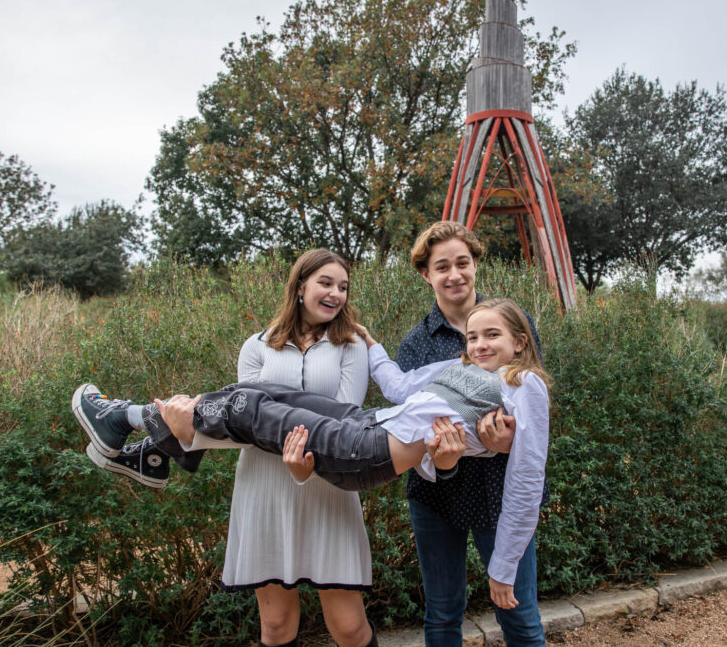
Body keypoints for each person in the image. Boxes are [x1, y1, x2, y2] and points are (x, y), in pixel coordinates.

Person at [71, 298, 550, 610]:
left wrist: (503, 566)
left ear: (520, 343)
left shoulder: (525, 385)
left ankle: (124, 419)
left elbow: (527, 477)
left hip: (367, 451)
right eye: (472, 336)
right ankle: (149, 452)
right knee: (263, 392)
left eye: (492, 336)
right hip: (368, 424)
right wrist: (371, 342)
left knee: (251, 408)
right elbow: (401, 387)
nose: (479, 345)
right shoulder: (459, 366)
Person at [84, 249, 377, 647]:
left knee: (348, 626)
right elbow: (245, 428)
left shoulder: (351, 345)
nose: (336, 294)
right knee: (275, 625)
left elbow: (343, 422)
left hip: (326, 484)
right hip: (265, 487)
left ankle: (147, 437)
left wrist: (306, 465)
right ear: (300, 286)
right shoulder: (257, 346)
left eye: (343, 287)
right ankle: (153, 436)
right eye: (325, 283)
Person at [396, 222, 546, 646]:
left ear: (476, 264)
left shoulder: (514, 322)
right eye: (442, 266)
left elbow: (533, 415)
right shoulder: (415, 345)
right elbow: (413, 428)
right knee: (442, 613)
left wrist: (507, 444)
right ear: (427, 275)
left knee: (518, 611)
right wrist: (442, 463)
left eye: (463, 262)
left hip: (501, 489)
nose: (454, 274)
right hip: (437, 494)